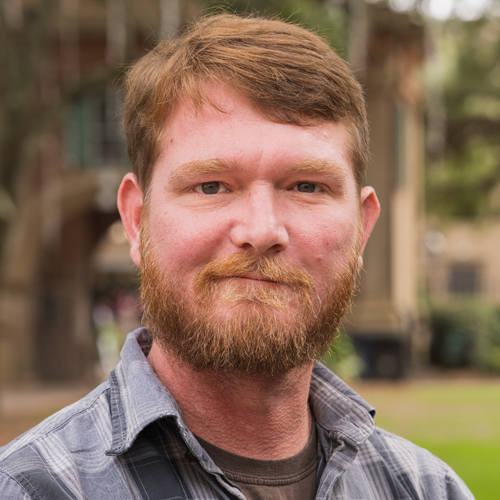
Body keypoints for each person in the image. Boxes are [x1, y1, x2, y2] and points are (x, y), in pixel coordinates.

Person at [0, 14, 474, 500]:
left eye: (306, 186)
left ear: (362, 227)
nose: (262, 230)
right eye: (211, 185)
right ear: (137, 221)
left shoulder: (425, 488)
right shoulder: (33, 489)